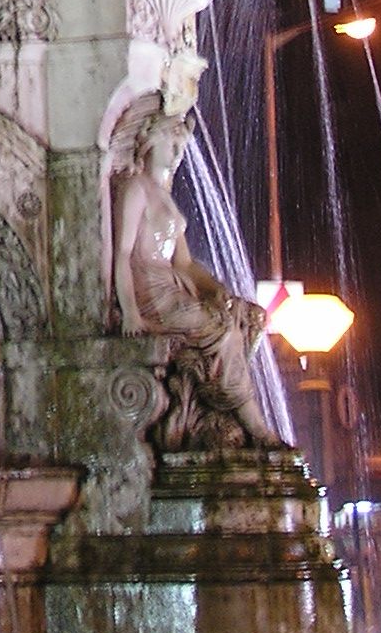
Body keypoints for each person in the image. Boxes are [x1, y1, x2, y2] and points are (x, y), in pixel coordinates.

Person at [113, 102, 277, 446]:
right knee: (219, 330)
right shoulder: (136, 189)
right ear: (146, 145)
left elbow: (185, 263)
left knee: (246, 317)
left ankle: (224, 409)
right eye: (169, 144)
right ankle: (253, 425)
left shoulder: (167, 198)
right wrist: (129, 310)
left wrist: (218, 289)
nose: (175, 152)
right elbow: (123, 253)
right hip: (150, 288)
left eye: (178, 147)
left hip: (173, 283)